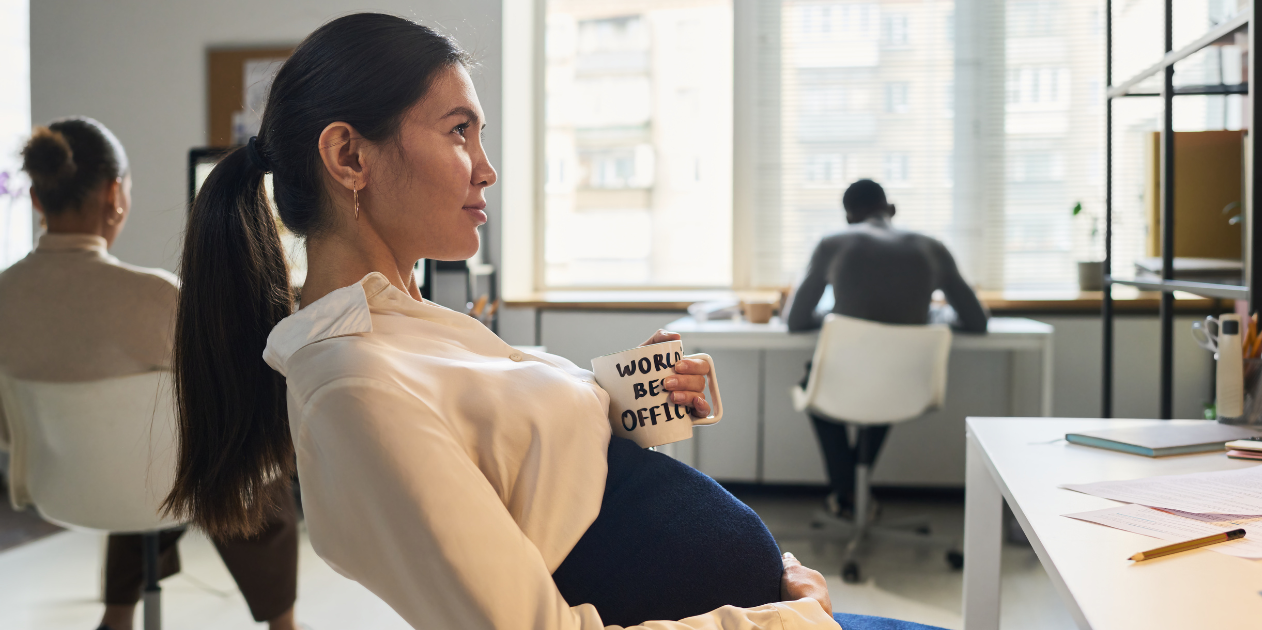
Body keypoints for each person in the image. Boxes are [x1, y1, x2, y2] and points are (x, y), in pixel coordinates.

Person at [162, 13, 944, 630]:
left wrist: (640, 394)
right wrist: (787, 619)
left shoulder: (410, 324)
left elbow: (520, 465)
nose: (486, 166)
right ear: (350, 158)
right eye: (458, 130)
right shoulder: (353, 385)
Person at [0, 118, 300, 630]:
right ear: (115, 193)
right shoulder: (158, 298)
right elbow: (232, 394)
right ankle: (284, 625)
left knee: (142, 450)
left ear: (38, 199)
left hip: (58, 486)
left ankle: (117, 617)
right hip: (157, 483)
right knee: (245, 458)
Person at [783, 179, 988, 516]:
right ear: (891, 209)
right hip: (906, 384)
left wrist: (835, 317)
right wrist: (932, 316)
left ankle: (846, 492)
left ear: (848, 218)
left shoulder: (833, 243)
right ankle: (852, 494)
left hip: (842, 382)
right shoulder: (933, 247)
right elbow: (977, 321)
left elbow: (795, 320)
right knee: (886, 378)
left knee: (814, 382)